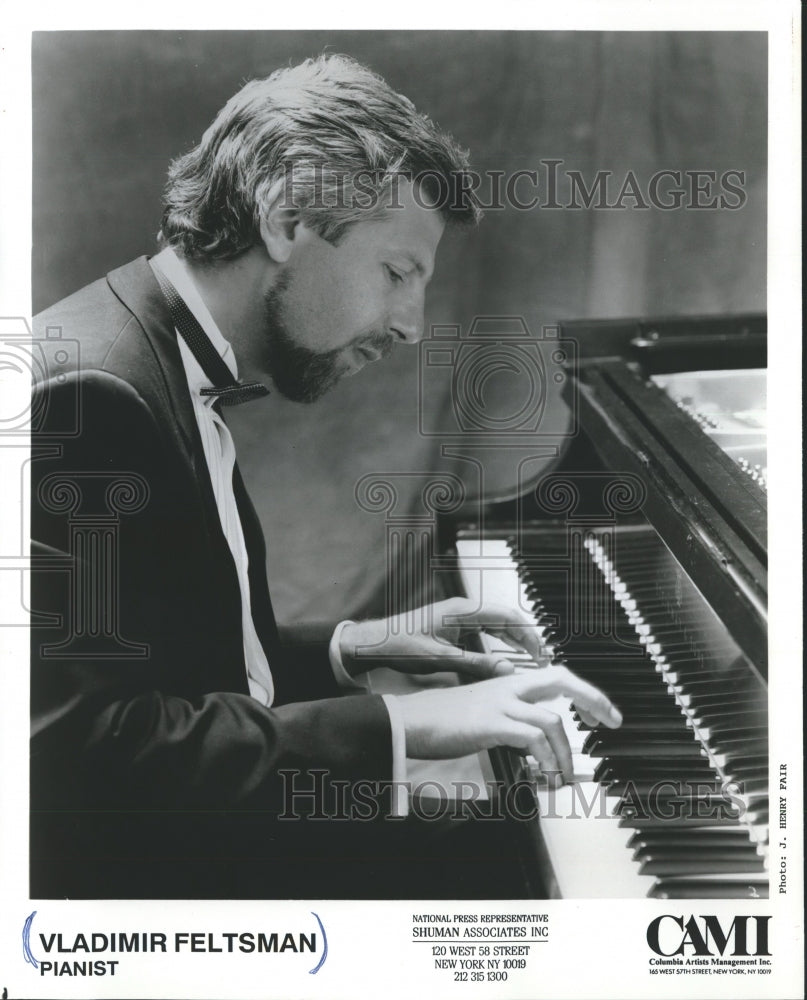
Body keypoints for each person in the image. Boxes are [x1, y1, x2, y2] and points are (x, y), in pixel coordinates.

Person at [30, 53, 621, 899]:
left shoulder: (149, 354)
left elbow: (178, 669)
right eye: (396, 272)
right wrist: (398, 721)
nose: (412, 326)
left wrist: (354, 648)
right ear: (283, 219)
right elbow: (77, 753)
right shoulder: (90, 392)